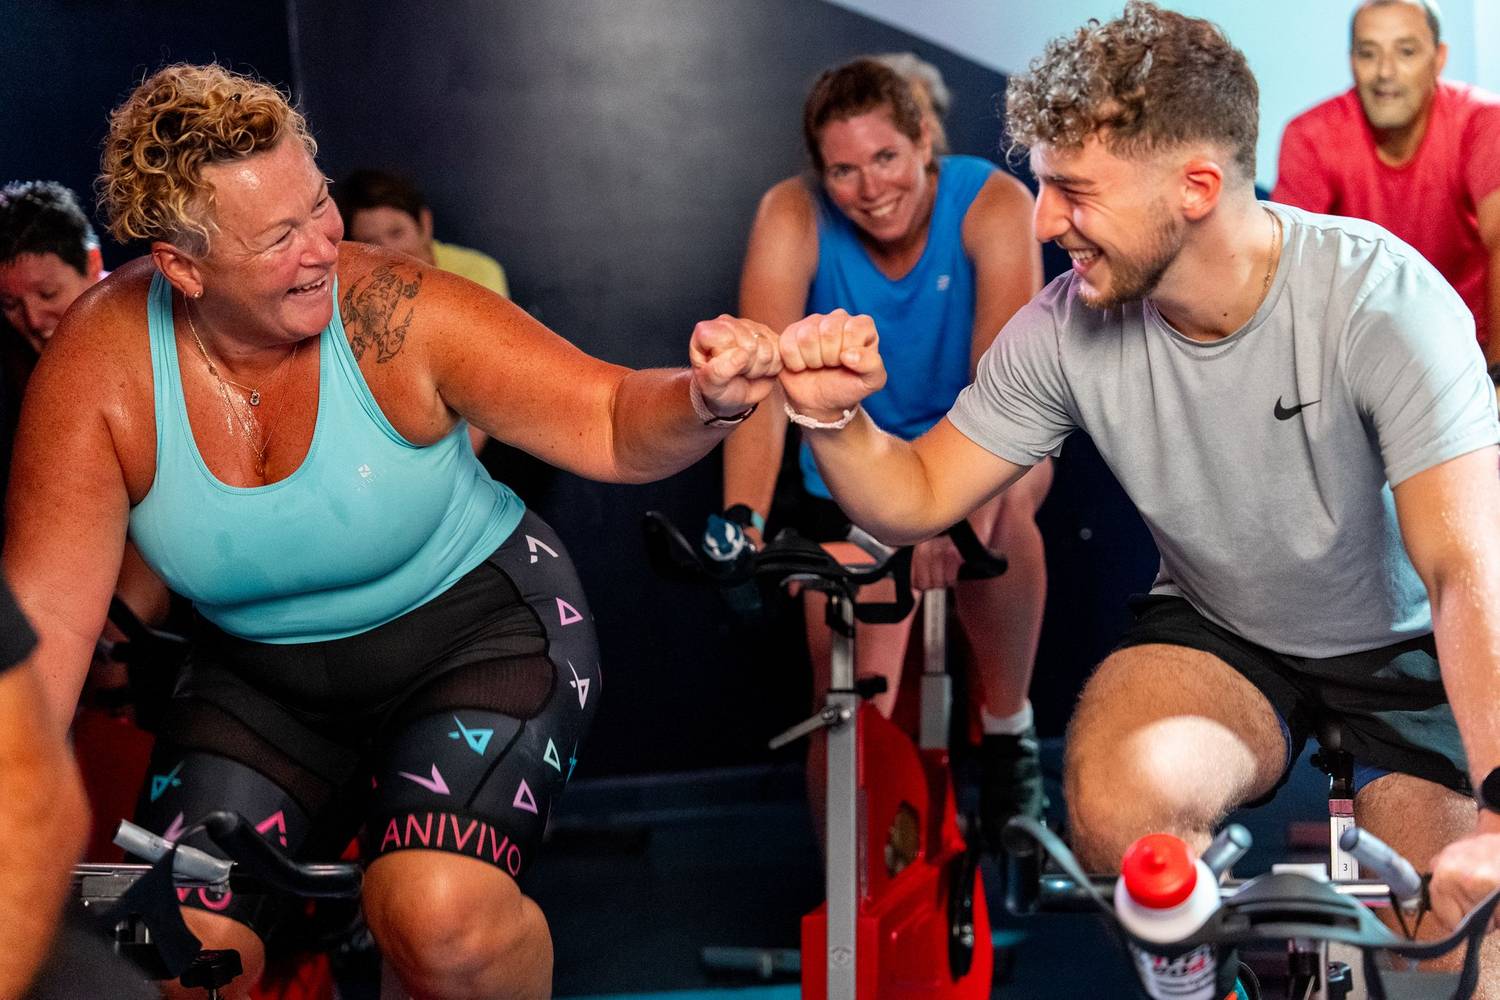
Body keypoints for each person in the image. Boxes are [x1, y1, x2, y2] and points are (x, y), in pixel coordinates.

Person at [3, 63, 779, 1000]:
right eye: (280, 236)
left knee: (436, 917)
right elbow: (46, 630)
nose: (323, 245)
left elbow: (613, 421)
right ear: (184, 267)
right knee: (176, 956)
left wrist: (706, 397)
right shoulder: (101, 365)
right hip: (258, 681)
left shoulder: (393, 312)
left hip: (478, 636)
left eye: (317, 203)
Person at [771, 2, 1500, 992]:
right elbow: (917, 493)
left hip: (1412, 652)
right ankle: (1205, 978)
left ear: (1195, 187)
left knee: (1459, 946)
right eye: (1042, 185)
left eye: (1073, 190)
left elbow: (1464, 569)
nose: (1043, 219)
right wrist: (832, 419)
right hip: (1226, 632)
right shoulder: (1067, 324)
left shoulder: (1381, 302)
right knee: (1119, 811)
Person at [723, 56, 1049, 843]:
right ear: (819, 172)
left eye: (886, 158)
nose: (870, 189)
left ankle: (1008, 730)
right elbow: (758, 383)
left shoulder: (994, 202)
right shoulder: (791, 212)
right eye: (844, 170)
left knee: (1008, 517)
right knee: (847, 693)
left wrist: (945, 512)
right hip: (853, 472)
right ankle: (860, 888)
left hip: (978, 450)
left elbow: (1006, 390)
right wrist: (741, 524)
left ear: (925, 140)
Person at [1272, 0, 1500, 359]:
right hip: (1358, 355)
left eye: (1406, 52)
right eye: (1368, 53)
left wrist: (1497, 372)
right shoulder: (1310, 136)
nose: (1385, 71)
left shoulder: (1482, 121)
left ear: (1439, 58)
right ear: (1352, 61)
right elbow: (1289, 270)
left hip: (1474, 349)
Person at [335, 168, 511, 457]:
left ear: (425, 224)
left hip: (474, 435)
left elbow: (490, 377)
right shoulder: (353, 292)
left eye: (396, 232)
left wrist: (455, 464)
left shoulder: (477, 273)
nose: (388, 252)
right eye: (371, 243)